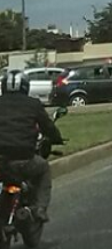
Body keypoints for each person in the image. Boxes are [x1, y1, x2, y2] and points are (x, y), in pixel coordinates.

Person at [0, 71, 63, 222]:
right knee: (44, 169)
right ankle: (40, 208)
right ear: (25, 87)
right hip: (24, 159)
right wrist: (57, 139)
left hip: (1, 160)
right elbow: (48, 127)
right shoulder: (33, 104)